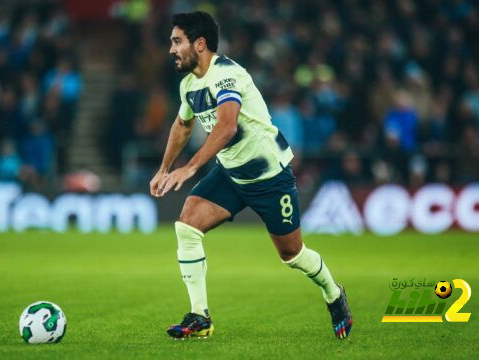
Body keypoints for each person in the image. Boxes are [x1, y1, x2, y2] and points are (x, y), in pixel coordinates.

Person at [149, 11, 352, 340]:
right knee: (187, 224)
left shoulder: (227, 74)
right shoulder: (189, 85)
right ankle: (200, 316)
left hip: (270, 176)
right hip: (231, 174)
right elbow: (183, 124)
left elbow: (228, 126)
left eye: (177, 41)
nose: (171, 49)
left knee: (292, 255)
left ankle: (333, 293)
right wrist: (164, 168)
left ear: (199, 44)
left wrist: (189, 168)